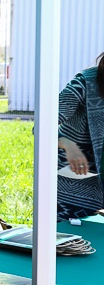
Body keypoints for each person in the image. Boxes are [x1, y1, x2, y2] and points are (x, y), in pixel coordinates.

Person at [57, 52, 104, 221]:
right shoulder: (84, 82)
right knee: (72, 242)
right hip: (74, 188)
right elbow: (42, 125)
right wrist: (67, 144)